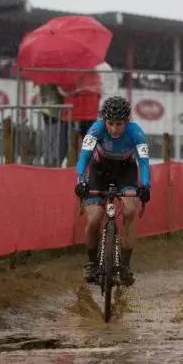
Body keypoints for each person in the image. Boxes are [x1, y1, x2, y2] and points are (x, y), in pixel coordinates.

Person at [74, 96, 151, 287]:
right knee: (94, 219)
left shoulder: (136, 132)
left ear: (127, 122)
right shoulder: (96, 129)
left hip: (126, 172)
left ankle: (124, 265)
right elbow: (84, 157)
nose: (114, 129)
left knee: (129, 211)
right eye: (110, 124)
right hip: (100, 171)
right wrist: (80, 181)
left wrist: (146, 185)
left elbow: (143, 162)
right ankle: (92, 263)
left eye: (119, 124)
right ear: (104, 121)